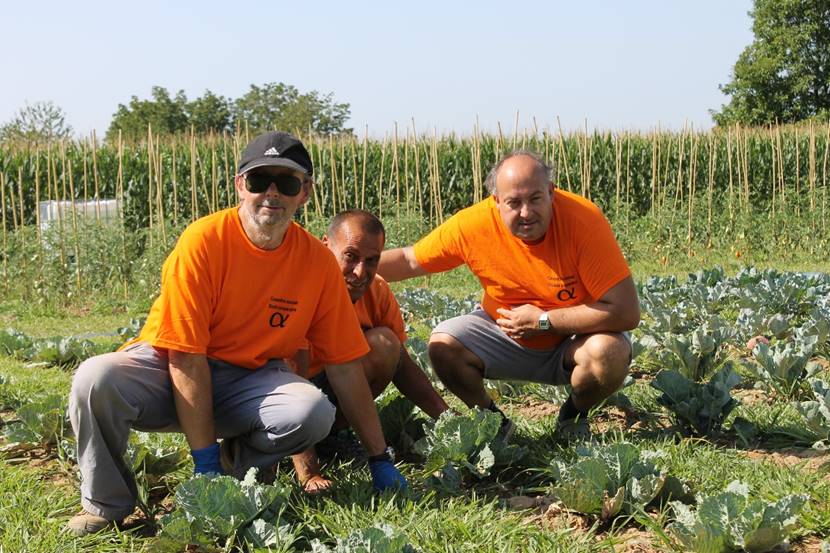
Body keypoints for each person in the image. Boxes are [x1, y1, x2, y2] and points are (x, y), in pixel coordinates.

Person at [67, 132, 405, 537]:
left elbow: (346, 366)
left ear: (306, 193)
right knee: (95, 378)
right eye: (261, 180)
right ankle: (107, 504)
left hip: (248, 379)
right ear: (240, 185)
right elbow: (185, 357)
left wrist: (379, 457)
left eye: (289, 182)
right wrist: (200, 460)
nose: (273, 193)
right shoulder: (203, 242)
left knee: (312, 412)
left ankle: (231, 473)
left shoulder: (316, 263)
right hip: (166, 367)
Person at [378, 150, 640, 442]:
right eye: (514, 203)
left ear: (551, 193)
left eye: (535, 199)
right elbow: (410, 259)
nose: (526, 212)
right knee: (443, 344)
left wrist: (544, 321)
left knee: (611, 352)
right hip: (504, 336)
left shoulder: (583, 220)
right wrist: (343, 267)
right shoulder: (474, 225)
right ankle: (496, 425)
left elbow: (626, 312)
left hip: (573, 342)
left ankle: (573, 415)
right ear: (497, 202)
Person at [289, 209, 450, 493]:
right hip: (289, 391)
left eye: (372, 260)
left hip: (335, 387)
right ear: (326, 246)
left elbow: (401, 364)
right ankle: (293, 451)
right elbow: (292, 378)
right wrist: (308, 472)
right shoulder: (300, 290)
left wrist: (447, 418)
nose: (360, 272)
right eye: (350, 256)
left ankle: (330, 436)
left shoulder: (377, 291)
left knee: (386, 344)